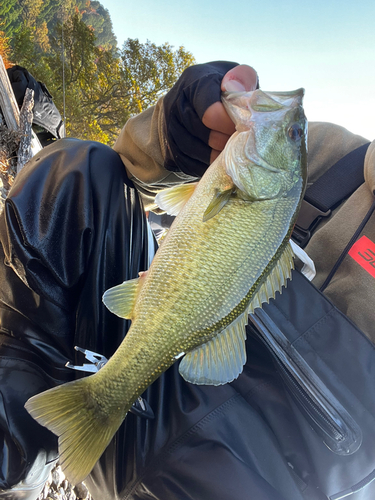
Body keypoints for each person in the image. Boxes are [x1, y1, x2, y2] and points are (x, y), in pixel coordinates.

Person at [0, 60, 374, 500]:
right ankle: (14, 456)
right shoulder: (330, 153)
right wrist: (176, 136)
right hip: (147, 362)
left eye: (292, 134)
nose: (293, 126)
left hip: (255, 477)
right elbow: (132, 169)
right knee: (77, 171)